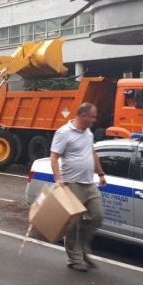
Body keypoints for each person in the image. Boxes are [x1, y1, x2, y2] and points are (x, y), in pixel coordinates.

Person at [49, 102, 107, 272]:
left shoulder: (88, 133)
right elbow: (54, 157)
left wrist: (101, 174)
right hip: (72, 184)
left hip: (89, 183)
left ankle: (82, 249)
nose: (95, 120)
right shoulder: (64, 133)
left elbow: (92, 153)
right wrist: (58, 179)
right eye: (93, 116)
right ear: (83, 116)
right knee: (72, 224)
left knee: (97, 216)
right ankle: (75, 259)